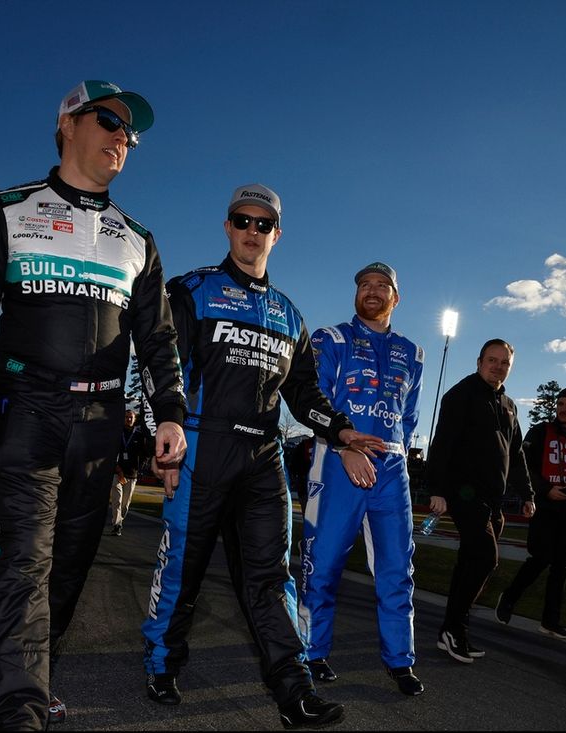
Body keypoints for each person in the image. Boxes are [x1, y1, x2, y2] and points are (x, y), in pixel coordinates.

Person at [0, 80, 187, 730]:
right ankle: (18, 710)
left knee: (67, 571)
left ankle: (35, 672)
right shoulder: (10, 209)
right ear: (67, 122)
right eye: (109, 120)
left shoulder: (138, 239)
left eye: (129, 131)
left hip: (101, 430)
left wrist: (172, 413)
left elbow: (157, 339)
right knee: (24, 565)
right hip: (29, 415)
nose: (121, 138)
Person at [141, 183, 384, 729]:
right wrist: (163, 437)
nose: (252, 232)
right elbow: (163, 367)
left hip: (263, 457)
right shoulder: (192, 291)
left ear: (277, 234)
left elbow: (305, 395)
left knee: (273, 579)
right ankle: (161, 666)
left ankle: (293, 690)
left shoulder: (289, 314)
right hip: (202, 447)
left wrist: (342, 432)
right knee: (184, 569)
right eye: (242, 221)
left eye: (263, 224)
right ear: (227, 227)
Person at [298, 262, 425, 696]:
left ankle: (400, 660)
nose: (372, 291)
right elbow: (314, 400)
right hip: (337, 463)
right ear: (356, 293)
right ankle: (311, 653)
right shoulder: (330, 339)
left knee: (397, 568)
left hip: (391, 469)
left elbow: (409, 418)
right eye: (364, 285)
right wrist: (343, 447)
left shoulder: (413, 352)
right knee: (324, 564)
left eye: (382, 285)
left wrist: (398, 456)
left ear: (396, 297)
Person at [426, 339, 535, 664]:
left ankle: (450, 630)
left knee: (469, 563)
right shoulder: (461, 395)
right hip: (464, 492)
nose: (498, 366)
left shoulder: (509, 405)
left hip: (492, 498)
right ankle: (456, 628)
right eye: (492, 360)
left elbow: (515, 454)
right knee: (486, 558)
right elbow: (442, 443)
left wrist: (527, 493)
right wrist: (436, 488)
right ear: (479, 361)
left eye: (504, 362)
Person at [494, 387, 566, 640]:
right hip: (545, 505)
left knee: (561, 567)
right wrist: (544, 490)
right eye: (560, 404)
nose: (563, 409)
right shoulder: (541, 431)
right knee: (540, 558)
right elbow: (522, 465)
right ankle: (508, 598)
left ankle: (550, 621)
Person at [109, 409, 146, 536]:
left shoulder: (139, 436)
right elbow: (111, 452)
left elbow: (144, 454)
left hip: (132, 474)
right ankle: (117, 525)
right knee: (117, 500)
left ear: (135, 419)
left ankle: (119, 521)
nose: (128, 419)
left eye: (131, 417)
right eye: (126, 417)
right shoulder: (118, 433)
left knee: (125, 504)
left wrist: (140, 467)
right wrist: (117, 468)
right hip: (117, 472)